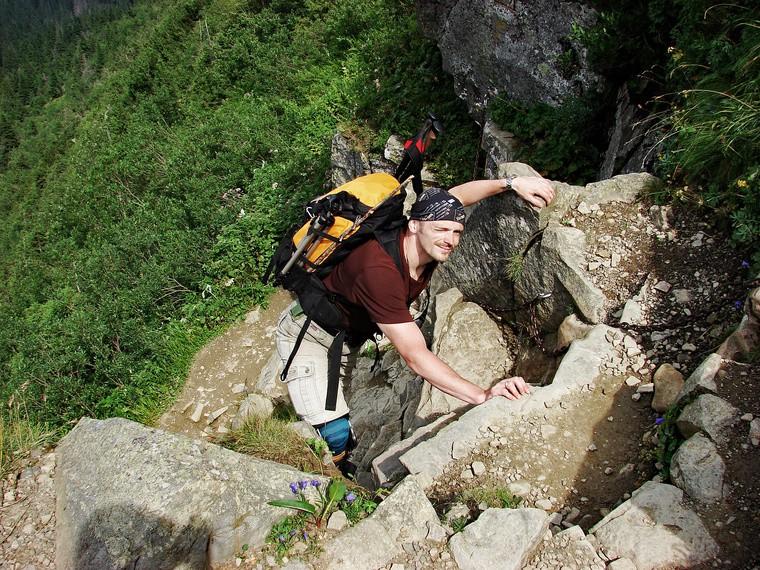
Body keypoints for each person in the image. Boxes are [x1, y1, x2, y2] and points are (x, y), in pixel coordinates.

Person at [275, 175, 555, 466]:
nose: (450, 239)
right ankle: (324, 487)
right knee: (331, 432)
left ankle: (340, 464)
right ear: (414, 225)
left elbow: (455, 198)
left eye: (457, 231)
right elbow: (415, 356)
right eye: (442, 230)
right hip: (311, 335)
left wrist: (511, 184)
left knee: (339, 425)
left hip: (344, 340)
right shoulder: (378, 271)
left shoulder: (427, 238)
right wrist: (482, 395)